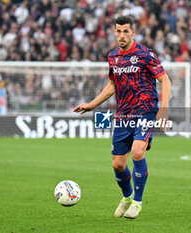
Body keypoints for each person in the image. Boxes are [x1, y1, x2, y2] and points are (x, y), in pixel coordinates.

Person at [73, 16, 171, 219]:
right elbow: (112, 84)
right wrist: (92, 104)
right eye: (118, 31)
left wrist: (163, 110)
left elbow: (165, 80)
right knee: (118, 164)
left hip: (145, 109)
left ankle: (137, 202)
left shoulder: (145, 54)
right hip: (123, 114)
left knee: (137, 152)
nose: (122, 35)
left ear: (133, 32)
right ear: (114, 32)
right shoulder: (113, 57)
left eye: (126, 31)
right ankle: (127, 197)